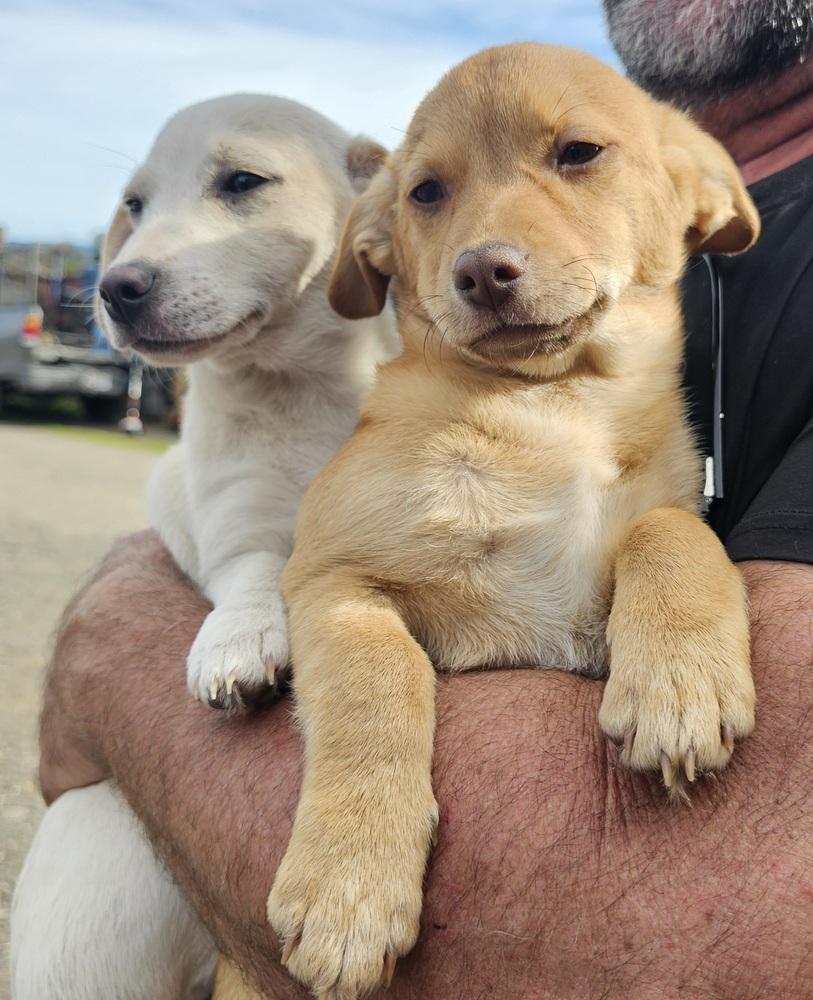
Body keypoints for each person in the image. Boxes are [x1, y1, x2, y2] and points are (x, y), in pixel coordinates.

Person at [37, 2, 813, 996]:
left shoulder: (656, 383)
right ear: (384, 248)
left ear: (698, 195)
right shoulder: (407, 409)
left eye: (575, 154)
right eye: (434, 194)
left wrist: (118, 654)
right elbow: (336, 579)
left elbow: (732, 899)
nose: (487, 248)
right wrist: (359, 767)